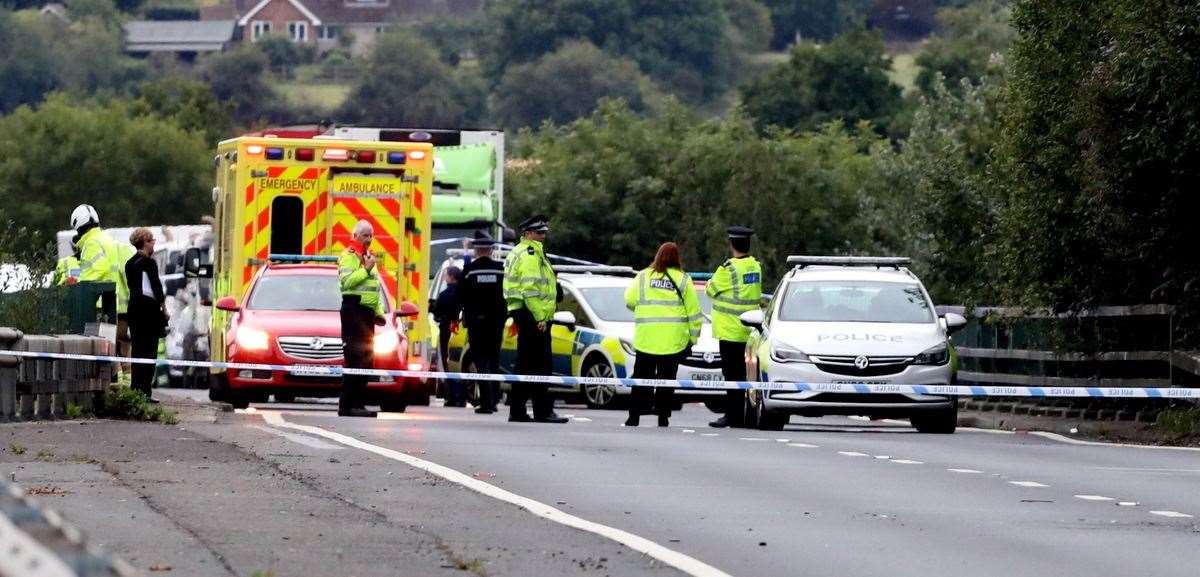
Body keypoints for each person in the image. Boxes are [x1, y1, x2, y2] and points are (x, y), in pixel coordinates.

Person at [623, 242, 702, 427]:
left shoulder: (643, 276)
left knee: (641, 378)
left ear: (657, 256)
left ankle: (634, 415)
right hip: (673, 341)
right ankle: (663, 416)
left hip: (646, 339)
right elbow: (694, 312)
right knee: (667, 379)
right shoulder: (683, 279)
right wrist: (693, 339)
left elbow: (629, 300)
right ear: (677, 258)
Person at [503, 215, 568, 423]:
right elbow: (530, 289)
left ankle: (518, 410)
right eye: (539, 233)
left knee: (525, 364)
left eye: (544, 233)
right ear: (528, 233)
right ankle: (542, 411)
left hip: (525, 312)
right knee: (541, 365)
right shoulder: (530, 254)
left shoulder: (521, 251)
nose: (543, 236)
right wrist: (540, 317)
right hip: (532, 314)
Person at [706, 226, 763, 428]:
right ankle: (744, 416)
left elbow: (709, 290)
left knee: (731, 377)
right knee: (747, 377)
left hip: (730, 331)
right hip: (750, 331)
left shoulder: (728, 269)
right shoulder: (755, 266)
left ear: (731, 244)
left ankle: (733, 415)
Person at [71, 204, 131, 373]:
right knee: (117, 351)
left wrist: (80, 289)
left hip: (98, 306)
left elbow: (97, 271)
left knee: (101, 352)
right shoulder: (109, 240)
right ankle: (121, 390)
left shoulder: (91, 244)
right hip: (115, 305)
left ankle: (107, 389)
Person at [337, 220, 384, 418]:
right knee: (355, 359)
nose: (369, 239)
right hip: (353, 310)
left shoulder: (368, 258)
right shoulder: (348, 257)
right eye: (365, 235)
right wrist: (365, 269)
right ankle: (347, 405)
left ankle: (359, 404)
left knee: (366, 360)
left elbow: (374, 290)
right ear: (355, 236)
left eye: (371, 235)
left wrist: (379, 312)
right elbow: (346, 282)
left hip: (366, 314)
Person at [458, 231, 506, 414]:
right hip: (496, 323)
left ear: (477, 251)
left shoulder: (470, 271)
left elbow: (460, 294)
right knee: (494, 360)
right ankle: (493, 399)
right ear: (491, 250)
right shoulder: (500, 269)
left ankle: (486, 402)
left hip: (477, 324)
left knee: (480, 361)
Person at [125, 228, 168, 399]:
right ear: (145, 242)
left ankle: (136, 390)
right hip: (149, 314)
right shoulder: (149, 263)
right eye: (152, 240)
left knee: (137, 352)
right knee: (149, 353)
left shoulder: (129, 264)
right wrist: (164, 308)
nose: (154, 243)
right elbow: (155, 288)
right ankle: (145, 392)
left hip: (134, 312)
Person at [434, 266, 464, 406]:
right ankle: (462, 396)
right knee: (461, 363)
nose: (445, 277)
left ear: (451, 277)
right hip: (462, 331)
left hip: (446, 329)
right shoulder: (464, 293)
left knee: (448, 362)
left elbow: (436, 312)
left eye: (446, 275)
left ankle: (452, 396)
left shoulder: (444, 294)